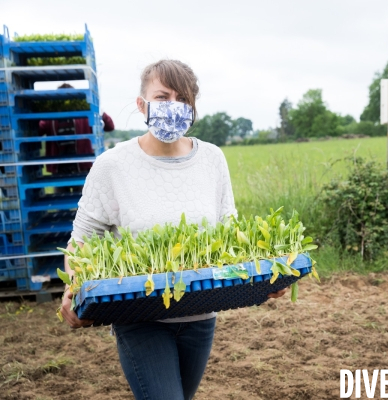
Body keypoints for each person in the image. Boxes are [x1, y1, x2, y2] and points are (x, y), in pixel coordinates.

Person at [58, 59, 287, 400]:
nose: (173, 107)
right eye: (163, 97)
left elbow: (230, 231)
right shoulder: (113, 165)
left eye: (183, 99)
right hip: (139, 315)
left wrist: (265, 276)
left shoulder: (212, 159)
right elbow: (83, 238)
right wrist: (72, 288)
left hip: (202, 313)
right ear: (141, 104)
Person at [38, 83, 115, 193]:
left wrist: (99, 110)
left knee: (83, 205)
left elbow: (110, 126)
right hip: (59, 171)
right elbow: (37, 130)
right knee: (62, 203)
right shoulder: (51, 119)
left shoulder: (85, 115)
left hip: (82, 169)